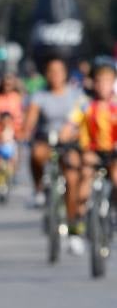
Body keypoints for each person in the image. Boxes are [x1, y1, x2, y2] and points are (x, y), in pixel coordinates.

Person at [63, 57, 117, 254]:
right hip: (91, 152)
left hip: (113, 152)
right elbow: (70, 125)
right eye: (99, 80)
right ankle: (78, 226)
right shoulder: (85, 104)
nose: (103, 85)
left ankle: (112, 212)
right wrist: (63, 137)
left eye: (108, 80)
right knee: (84, 181)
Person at [23, 57, 85, 207]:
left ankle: (72, 222)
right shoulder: (40, 95)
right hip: (47, 140)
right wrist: (25, 131)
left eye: (58, 71)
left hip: (70, 142)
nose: (55, 75)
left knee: (72, 177)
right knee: (36, 154)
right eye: (51, 71)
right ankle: (38, 190)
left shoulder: (76, 94)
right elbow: (31, 117)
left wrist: (73, 133)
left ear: (65, 74)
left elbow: (83, 116)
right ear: (46, 74)